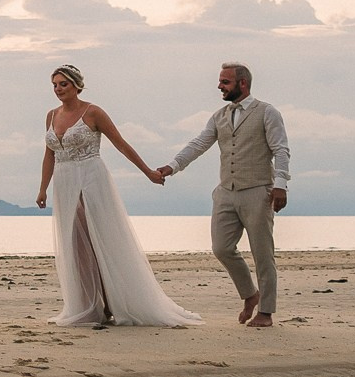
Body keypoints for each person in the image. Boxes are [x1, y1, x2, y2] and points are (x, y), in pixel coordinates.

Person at [37, 65, 203, 327]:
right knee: (76, 246)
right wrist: (43, 188)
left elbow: (121, 144)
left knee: (100, 240)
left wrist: (148, 172)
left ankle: (115, 302)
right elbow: (49, 154)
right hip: (64, 182)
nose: (58, 89)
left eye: (63, 84)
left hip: (91, 179)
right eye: (55, 85)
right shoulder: (51, 115)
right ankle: (91, 306)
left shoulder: (93, 112)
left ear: (77, 86)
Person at [152, 62, 290, 327]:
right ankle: (250, 294)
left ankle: (266, 312)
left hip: (258, 191)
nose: (219, 86)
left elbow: (281, 149)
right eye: (220, 81)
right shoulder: (219, 116)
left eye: (225, 82)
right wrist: (173, 166)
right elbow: (199, 143)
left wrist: (281, 184)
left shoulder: (267, 112)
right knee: (222, 248)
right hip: (226, 192)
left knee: (263, 254)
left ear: (242, 83)